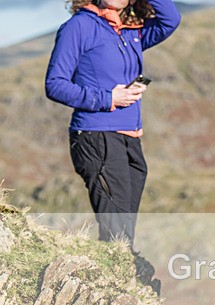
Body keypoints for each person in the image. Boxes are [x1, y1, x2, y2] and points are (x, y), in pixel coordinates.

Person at [45, 0, 181, 246]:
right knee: (116, 232)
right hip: (97, 136)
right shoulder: (80, 26)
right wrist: (108, 98)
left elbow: (170, 19)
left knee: (123, 230)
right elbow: (55, 84)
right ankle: (110, 281)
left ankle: (119, 277)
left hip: (130, 138)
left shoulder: (131, 30)